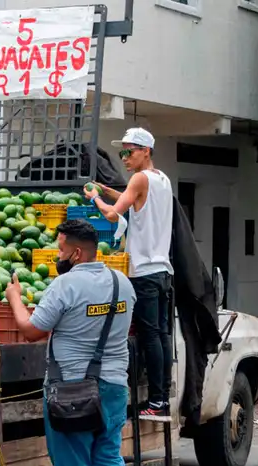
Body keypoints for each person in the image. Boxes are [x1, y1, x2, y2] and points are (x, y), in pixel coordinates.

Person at [5, 219, 138, 466]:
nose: (57, 254)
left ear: (76, 253)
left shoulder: (64, 286)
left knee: (71, 463)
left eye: (61, 248)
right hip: (113, 386)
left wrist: (14, 299)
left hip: (71, 392)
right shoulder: (122, 283)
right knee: (108, 456)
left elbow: (32, 331)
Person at [84, 127, 174, 418]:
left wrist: (94, 200)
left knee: (150, 337)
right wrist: (108, 191)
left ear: (145, 151)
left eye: (129, 151)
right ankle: (163, 398)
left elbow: (113, 214)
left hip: (144, 271)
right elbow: (133, 199)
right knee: (161, 334)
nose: (123, 157)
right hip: (162, 270)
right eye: (122, 151)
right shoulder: (162, 179)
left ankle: (157, 402)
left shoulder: (139, 178)